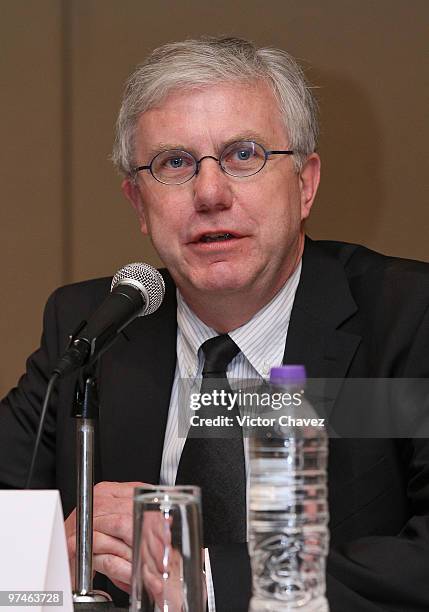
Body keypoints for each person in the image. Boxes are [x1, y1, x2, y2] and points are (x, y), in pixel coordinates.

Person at [1, 36, 429, 611]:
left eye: (243, 155)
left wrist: (200, 575)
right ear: (138, 204)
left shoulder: (408, 317)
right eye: (174, 163)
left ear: (305, 184)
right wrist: (51, 553)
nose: (209, 193)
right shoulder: (95, 329)